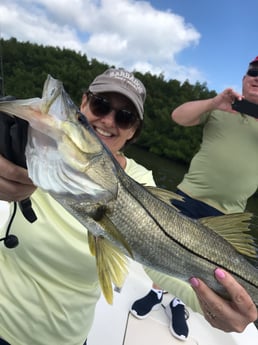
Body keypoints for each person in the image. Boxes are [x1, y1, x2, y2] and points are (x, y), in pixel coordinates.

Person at [0, 68, 256, 345]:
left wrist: (219, 310)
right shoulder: (36, 151)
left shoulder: (144, 182)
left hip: (66, 337)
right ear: (84, 102)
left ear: (133, 131)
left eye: (124, 117)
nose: (108, 120)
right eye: (101, 104)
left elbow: (159, 263)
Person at [130, 57, 258, 337]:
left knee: (203, 270)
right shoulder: (220, 107)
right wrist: (214, 102)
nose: (257, 77)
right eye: (254, 71)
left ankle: (178, 302)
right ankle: (156, 294)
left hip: (229, 216)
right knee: (166, 251)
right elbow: (179, 116)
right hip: (188, 196)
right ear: (244, 77)